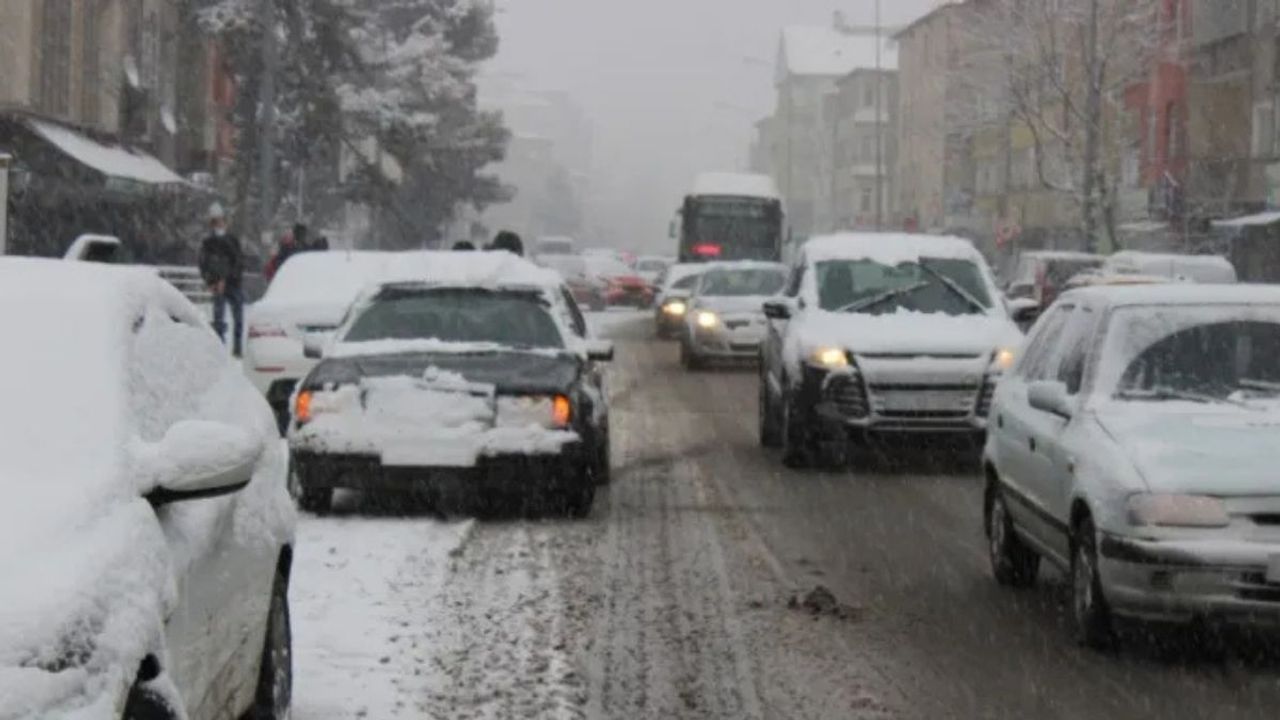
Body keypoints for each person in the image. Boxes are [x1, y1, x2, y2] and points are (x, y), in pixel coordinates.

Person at [198, 203, 245, 356]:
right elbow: (203, 263)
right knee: (218, 319)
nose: (218, 225)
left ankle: (237, 348)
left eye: (220, 221)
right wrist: (211, 282)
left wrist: (228, 278)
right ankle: (219, 348)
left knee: (238, 318)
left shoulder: (232, 240)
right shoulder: (208, 242)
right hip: (217, 285)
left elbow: (238, 261)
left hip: (233, 284)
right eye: (215, 222)